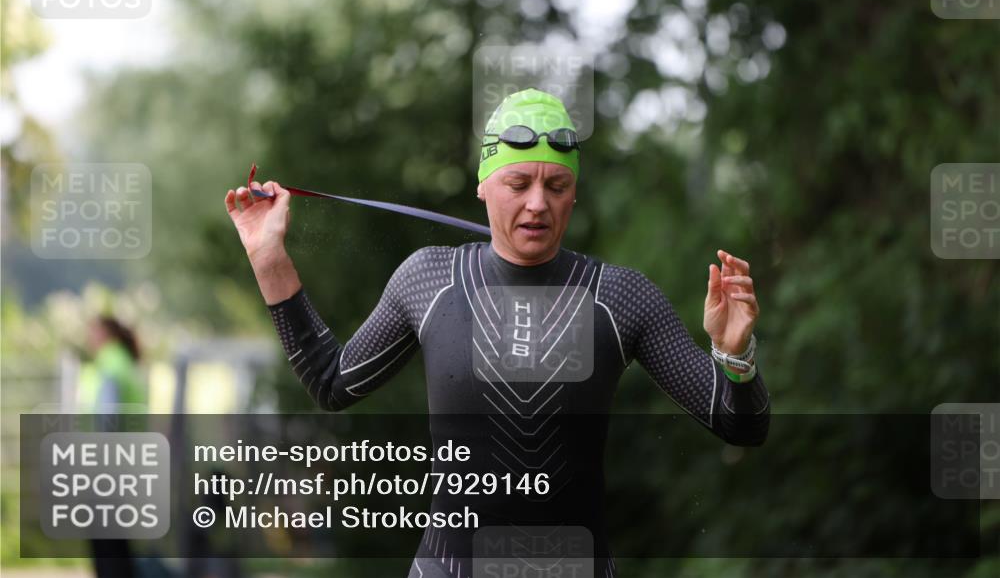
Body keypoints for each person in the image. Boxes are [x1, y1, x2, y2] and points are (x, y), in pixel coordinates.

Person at [226, 88, 770, 577]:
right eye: (518, 182)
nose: (538, 202)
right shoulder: (430, 280)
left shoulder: (618, 298)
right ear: (484, 186)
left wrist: (734, 353)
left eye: (556, 185)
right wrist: (268, 257)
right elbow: (329, 382)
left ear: (573, 195)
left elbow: (741, 426)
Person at [78, 316, 146, 578]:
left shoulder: (110, 366)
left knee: (107, 547)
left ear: (105, 336)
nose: (89, 339)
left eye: (92, 333)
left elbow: (108, 418)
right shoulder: (126, 363)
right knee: (117, 543)